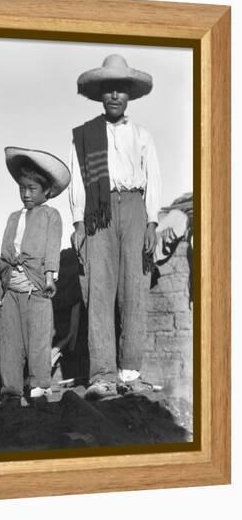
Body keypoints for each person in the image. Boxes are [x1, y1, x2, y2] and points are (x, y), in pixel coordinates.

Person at [69, 54, 162, 398]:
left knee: (134, 290)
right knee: (100, 290)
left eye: (120, 90)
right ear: (100, 94)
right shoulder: (84, 136)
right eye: (108, 89)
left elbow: (153, 179)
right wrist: (79, 222)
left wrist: (152, 222)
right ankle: (102, 374)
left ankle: (130, 371)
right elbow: (79, 181)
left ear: (129, 95)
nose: (114, 96)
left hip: (136, 209)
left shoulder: (142, 135)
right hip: (99, 211)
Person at [0, 147, 71, 408]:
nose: (26, 194)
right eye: (22, 188)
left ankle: (39, 385)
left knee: (38, 338)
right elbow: (5, 250)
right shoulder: (13, 218)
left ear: (46, 191)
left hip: (36, 287)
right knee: (11, 341)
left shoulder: (51, 215)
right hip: (12, 288)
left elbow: (51, 248)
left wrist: (50, 277)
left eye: (32, 189)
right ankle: (11, 389)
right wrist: (0, 283)